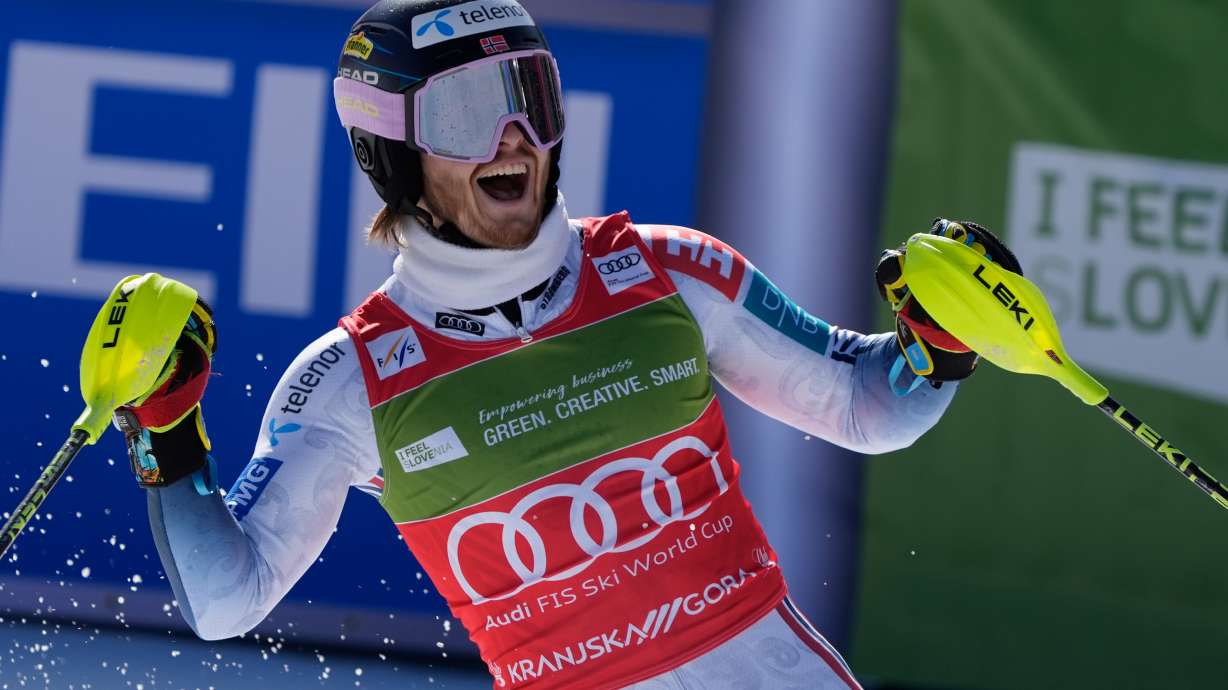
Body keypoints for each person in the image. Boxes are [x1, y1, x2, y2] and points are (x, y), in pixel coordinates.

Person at [116, 1, 1020, 687]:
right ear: (390, 151)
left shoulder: (670, 269)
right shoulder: (348, 381)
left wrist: (939, 343)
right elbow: (225, 603)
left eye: (531, 97)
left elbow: (867, 407)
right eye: (469, 113)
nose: (515, 136)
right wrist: (167, 432)